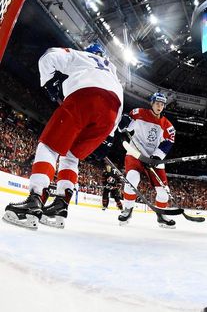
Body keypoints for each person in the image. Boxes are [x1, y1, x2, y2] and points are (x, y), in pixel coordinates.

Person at [2, 43, 123, 230]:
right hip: (110, 114)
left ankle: (35, 200)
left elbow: (48, 55)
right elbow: (119, 109)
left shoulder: (82, 56)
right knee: (71, 156)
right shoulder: (113, 74)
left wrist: (50, 84)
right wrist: (108, 138)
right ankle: (60, 205)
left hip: (85, 97)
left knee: (49, 146)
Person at [117, 92, 177, 229]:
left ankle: (161, 215)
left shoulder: (167, 125)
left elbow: (168, 142)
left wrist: (156, 157)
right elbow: (124, 128)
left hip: (154, 159)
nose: (159, 106)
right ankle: (127, 209)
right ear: (152, 103)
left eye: (162, 104)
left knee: (163, 191)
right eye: (157, 103)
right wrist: (123, 122)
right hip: (136, 153)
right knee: (132, 177)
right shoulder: (139, 113)